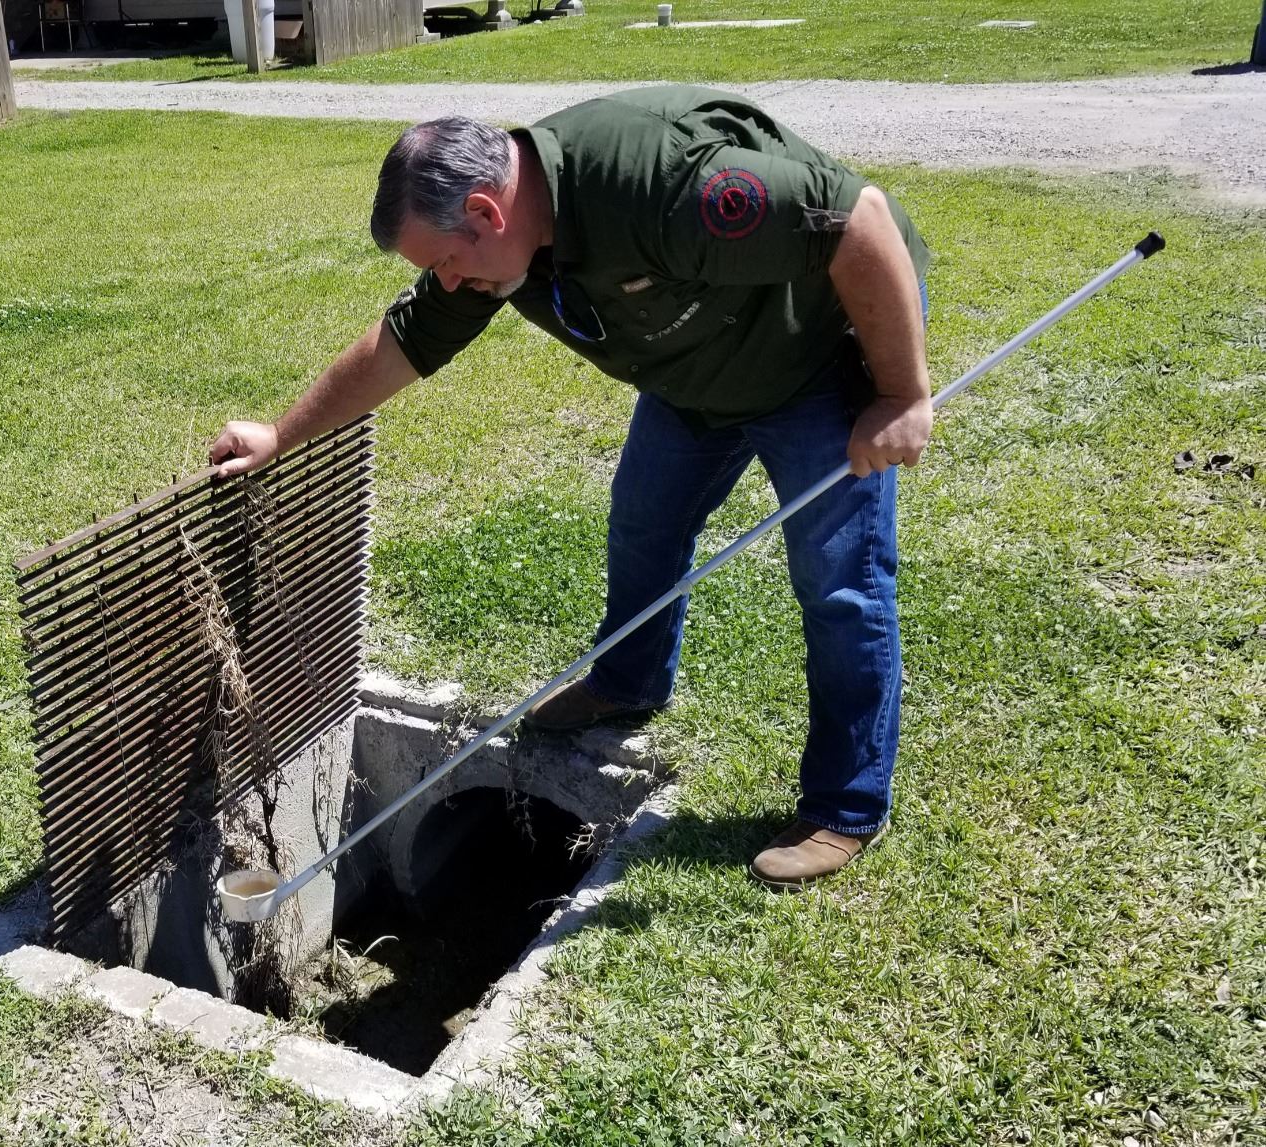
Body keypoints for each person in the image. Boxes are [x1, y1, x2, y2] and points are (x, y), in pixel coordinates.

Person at [211, 86, 932, 889]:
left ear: (486, 211)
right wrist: (281, 435)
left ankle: (845, 805)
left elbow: (857, 221)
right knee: (643, 523)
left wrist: (899, 394)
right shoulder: (500, 251)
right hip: (695, 376)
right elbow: (400, 344)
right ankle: (626, 682)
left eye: (444, 260)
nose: (445, 281)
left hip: (812, 355)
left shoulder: (657, 181)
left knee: (840, 584)